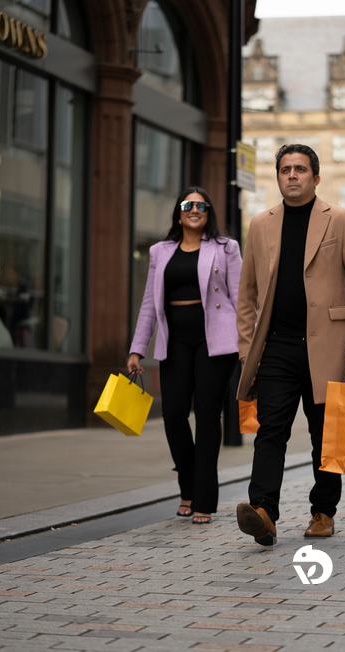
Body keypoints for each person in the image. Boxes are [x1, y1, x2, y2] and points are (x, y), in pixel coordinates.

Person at [235, 144, 345, 545]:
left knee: (326, 436)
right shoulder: (260, 224)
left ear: (315, 177)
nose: (292, 175)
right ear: (277, 177)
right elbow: (246, 295)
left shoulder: (341, 220)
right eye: (285, 169)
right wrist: (248, 350)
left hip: (330, 347)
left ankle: (323, 512)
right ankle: (263, 511)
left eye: (300, 169)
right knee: (270, 429)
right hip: (276, 346)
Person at [128, 187, 242, 525]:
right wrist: (137, 348)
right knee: (173, 414)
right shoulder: (159, 252)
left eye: (201, 205)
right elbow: (150, 303)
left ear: (208, 213)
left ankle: (203, 498)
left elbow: (241, 298)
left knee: (208, 416)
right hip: (174, 341)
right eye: (188, 205)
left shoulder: (226, 248)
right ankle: (187, 487)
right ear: (179, 213)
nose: (195, 209)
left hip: (216, 341)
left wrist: (250, 343)